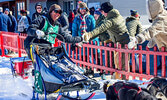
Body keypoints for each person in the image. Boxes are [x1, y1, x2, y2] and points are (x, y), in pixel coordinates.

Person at [82, 2, 130, 79]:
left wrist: (89, 35)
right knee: (119, 64)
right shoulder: (117, 15)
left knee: (122, 66)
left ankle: (124, 82)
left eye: (102, 12)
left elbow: (101, 28)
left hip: (122, 44)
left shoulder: (111, 20)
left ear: (105, 11)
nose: (101, 14)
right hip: (120, 43)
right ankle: (119, 80)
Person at [72, 2, 99, 77]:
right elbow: (74, 30)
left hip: (91, 39)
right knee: (85, 56)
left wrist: (89, 35)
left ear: (86, 9)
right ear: (79, 10)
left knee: (96, 55)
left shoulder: (90, 17)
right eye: (81, 9)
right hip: (82, 40)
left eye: (84, 9)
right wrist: (74, 41)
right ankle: (88, 70)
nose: (82, 10)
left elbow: (94, 29)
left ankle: (101, 71)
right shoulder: (77, 19)